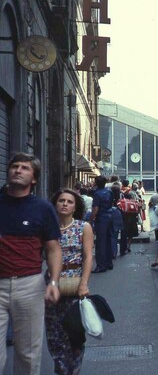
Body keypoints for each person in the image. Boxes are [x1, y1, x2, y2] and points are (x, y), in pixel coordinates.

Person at [0, 152, 62, 374]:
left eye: (25, 168)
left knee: (28, 354)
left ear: (34, 178)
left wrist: (53, 282)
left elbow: (53, 249)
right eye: (15, 166)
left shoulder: (43, 208)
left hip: (29, 285)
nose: (18, 170)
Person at [46, 188, 93, 375]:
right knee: (54, 335)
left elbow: (89, 256)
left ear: (75, 207)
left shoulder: (84, 227)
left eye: (69, 202)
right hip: (52, 285)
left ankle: (73, 370)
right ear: (55, 205)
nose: (65, 204)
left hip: (75, 285)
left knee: (74, 333)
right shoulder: (47, 228)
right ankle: (61, 369)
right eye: (61, 201)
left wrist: (84, 283)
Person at [89, 176, 113, 273]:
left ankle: (101, 265)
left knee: (100, 242)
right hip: (109, 215)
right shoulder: (109, 192)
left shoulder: (97, 193)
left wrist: (91, 219)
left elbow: (96, 209)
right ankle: (109, 262)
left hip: (101, 217)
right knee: (108, 240)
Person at [119, 191, 140, 256]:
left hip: (125, 219)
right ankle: (128, 245)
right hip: (133, 220)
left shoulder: (121, 202)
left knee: (124, 234)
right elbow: (138, 211)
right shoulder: (134, 202)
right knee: (131, 234)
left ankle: (123, 248)